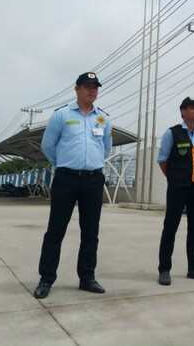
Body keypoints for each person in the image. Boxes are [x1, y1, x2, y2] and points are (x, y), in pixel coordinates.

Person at [33, 72, 112, 299]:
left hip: (94, 180)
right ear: (77, 89)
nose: (93, 90)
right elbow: (48, 145)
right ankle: (46, 278)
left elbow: (106, 148)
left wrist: (91, 164)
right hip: (66, 179)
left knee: (91, 231)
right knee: (56, 230)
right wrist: (64, 165)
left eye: (96, 86)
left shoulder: (103, 119)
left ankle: (87, 277)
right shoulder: (62, 115)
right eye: (88, 86)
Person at [156, 97, 194, 286]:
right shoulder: (172, 133)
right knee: (170, 228)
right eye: (192, 107)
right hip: (178, 188)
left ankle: (193, 268)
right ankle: (164, 269)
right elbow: (162, 160)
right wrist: (174, 178)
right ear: (182, 112)